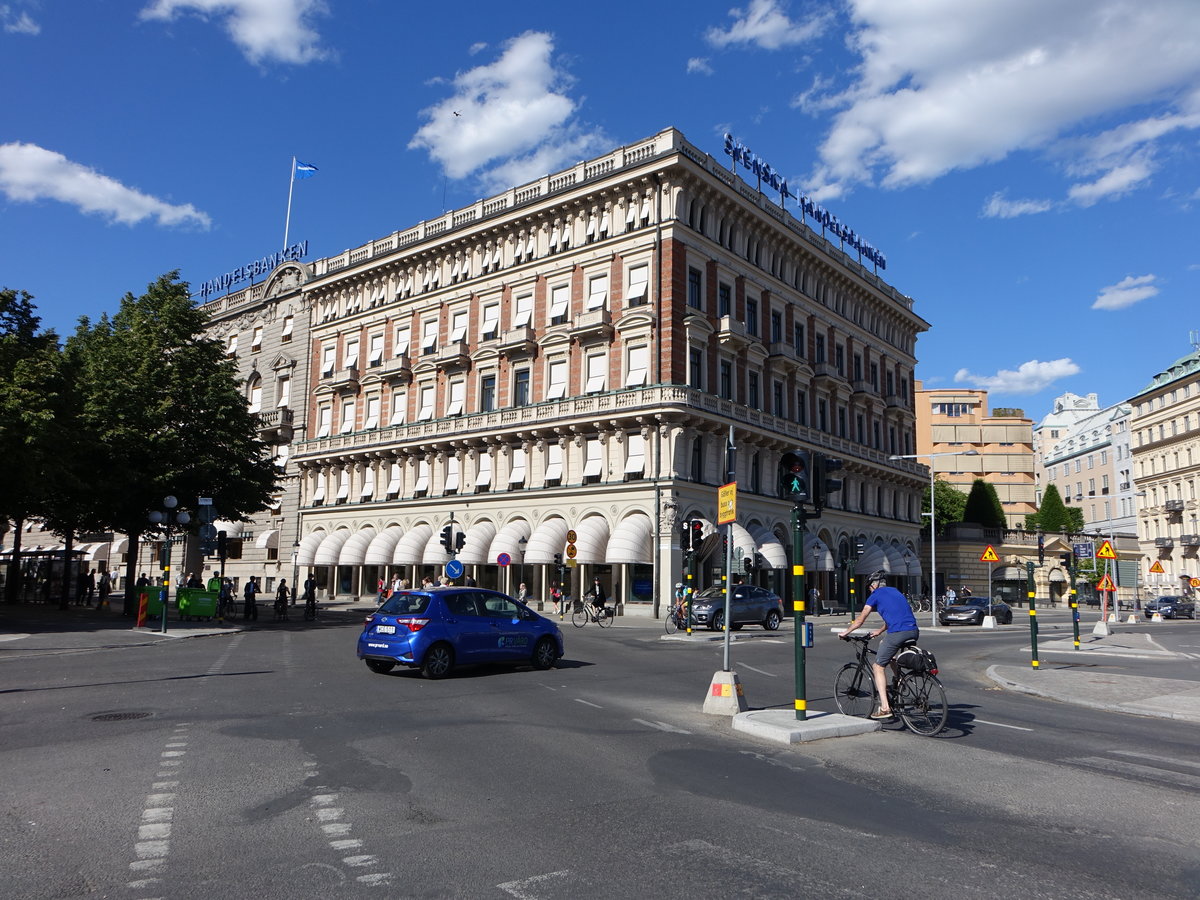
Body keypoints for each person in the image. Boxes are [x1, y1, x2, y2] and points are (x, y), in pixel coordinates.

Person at [839, 571, 919, 720]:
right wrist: (880, 630)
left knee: (877, 667)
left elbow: (860, 620)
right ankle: (900, 679)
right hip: (913, 631)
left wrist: (846, 632)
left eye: (869, 587)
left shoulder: (875, 596)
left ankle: (884, 707)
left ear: (874, 585)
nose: (869, 589)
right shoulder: (895, 591)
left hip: (898, 633)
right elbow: (896, 615)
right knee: (885, 644)